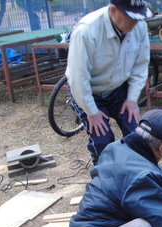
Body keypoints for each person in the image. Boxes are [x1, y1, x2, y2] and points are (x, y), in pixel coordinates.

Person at [65, 0, 152, 165]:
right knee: (102, 139)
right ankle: (103, 180)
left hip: (119, 88)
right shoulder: (86, 31)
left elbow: (141, 66)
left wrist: (132, 99)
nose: (135, 23)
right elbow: (78, 78)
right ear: (113, 11)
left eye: (138, 18)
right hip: (89, 91)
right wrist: (91, 111)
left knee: (138, 136)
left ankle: (140, 176)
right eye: (131, 18)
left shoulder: (139, 26)